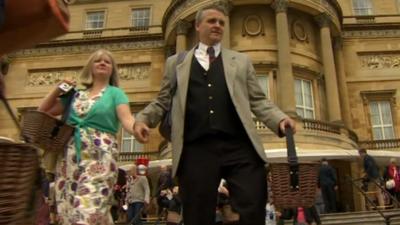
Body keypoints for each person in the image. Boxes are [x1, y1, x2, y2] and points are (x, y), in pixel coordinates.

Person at [133, 4, 296, 225]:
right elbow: (162, 100)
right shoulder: (176, 63)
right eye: (212, 21)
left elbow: (258, 100)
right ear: (198, 25)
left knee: (253, 201)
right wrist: (143, 120)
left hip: (239, 145)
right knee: (197, 213)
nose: (217, 26)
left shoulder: (240, 61)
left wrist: (279, 119)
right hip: (196, 147)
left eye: (221, 22)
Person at [38, 49, 137, 225]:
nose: (102, 63)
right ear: (89, 67)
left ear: (112, 69)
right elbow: (43, 111)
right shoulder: (75, 94)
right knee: (69, 214)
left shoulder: (115, 93)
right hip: (69, 161)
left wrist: (137, 128)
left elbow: (127, 118)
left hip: (100, 158)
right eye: (97, 61)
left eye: (107, 62)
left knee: (88, 211)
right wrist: (57, 89)